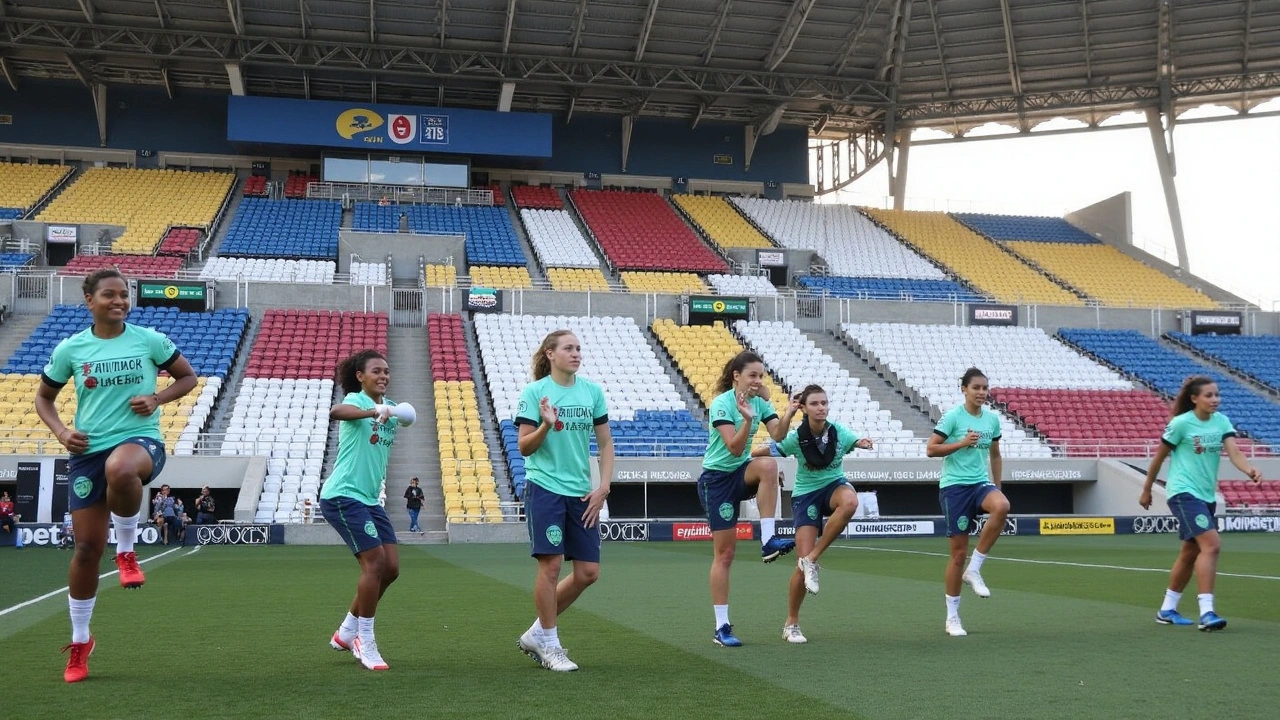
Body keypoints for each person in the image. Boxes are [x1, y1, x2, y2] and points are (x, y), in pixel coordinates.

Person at [35, 268, 197, 682]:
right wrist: (61, 431)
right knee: (86, 550)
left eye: (124, 295)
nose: (119, 301)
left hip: (140, 442)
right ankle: (80, 640)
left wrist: (157, 397)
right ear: (89, 300)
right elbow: (44, 398)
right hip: (88, 452)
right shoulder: (72, 349)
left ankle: (126, 550)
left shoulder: (149, 340)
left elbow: (188, 376)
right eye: (109, 295)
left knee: (121, 468)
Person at [515, 330, 613, 672]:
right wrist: (545, 425)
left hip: (582, 491)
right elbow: (524, 446)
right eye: (568, 348)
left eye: (578, 348)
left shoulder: (592, 392)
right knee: (552, 566)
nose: (576, 353)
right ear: (551, 353)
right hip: (545, 488)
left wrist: (603, 487)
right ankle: (551, 645)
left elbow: (605, 444)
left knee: (588, 572)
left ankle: (538, 632)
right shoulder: (534, 392)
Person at [1141, 375, 1262, 631]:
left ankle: (1167, 610)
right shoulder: (1181, 424)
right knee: (1212, 544)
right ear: (1194, 398)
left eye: (1217, 395)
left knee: (1190, 552)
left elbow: (1235, 453)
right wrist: (1147, 489)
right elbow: (1158, 459)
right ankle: (1207, 612)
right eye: (1209, 395)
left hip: (1206, 496)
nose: (1215, 399)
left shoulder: (1222, 421)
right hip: (1183, 493)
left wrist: (1248, 470)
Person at [320, 350, 414, 671]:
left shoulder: (392, 407)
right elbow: (337, 411)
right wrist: (376, 409)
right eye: (376, 371)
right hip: (343, 495)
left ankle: (347, 630)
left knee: (391, 570)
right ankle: (365, 639)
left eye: (387, 371)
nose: (384, 376)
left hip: (371, 500)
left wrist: (392, 411)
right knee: (374, 563)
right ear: (361, 376)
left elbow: (406, 416)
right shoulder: (358, 401)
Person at [699, 350, 795, 648]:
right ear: (736, 376)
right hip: (715, 481)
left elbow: (777, 435)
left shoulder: (760, 401)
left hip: (739, 473)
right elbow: (734, 449)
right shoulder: (722, 404)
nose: (758, 381)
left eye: (761, 376)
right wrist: (746, 421)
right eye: (752, 375)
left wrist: (789, 410)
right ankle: (722, 626)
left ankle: (768, 540)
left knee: (769, 465)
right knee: (725, 555)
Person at [770, 384, 874, 644]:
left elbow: (854, 440)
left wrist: (862, 442)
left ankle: (813, 559)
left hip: (834, 486)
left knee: (850, 502)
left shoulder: (838, 431)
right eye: (815, 403)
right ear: (803, 408)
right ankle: (791, 623)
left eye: (824, 403)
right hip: (806, 495)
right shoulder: (795, 437)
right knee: (800, 564)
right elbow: (771, 449)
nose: (821, 408)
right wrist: (759, 461)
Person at [926, 367, 1010, 638]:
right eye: (976, 388)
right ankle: (952, 617)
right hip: (954, 488)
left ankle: (975, 569)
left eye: (985, 388)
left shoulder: (992, 421)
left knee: (1002, 505)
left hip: (979, 483)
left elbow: (995, 455)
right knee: (957, 554)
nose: (982, 393)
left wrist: (997, 487)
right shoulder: (953, 416)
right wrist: (962, 443)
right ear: (964, 389)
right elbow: (931, 449)